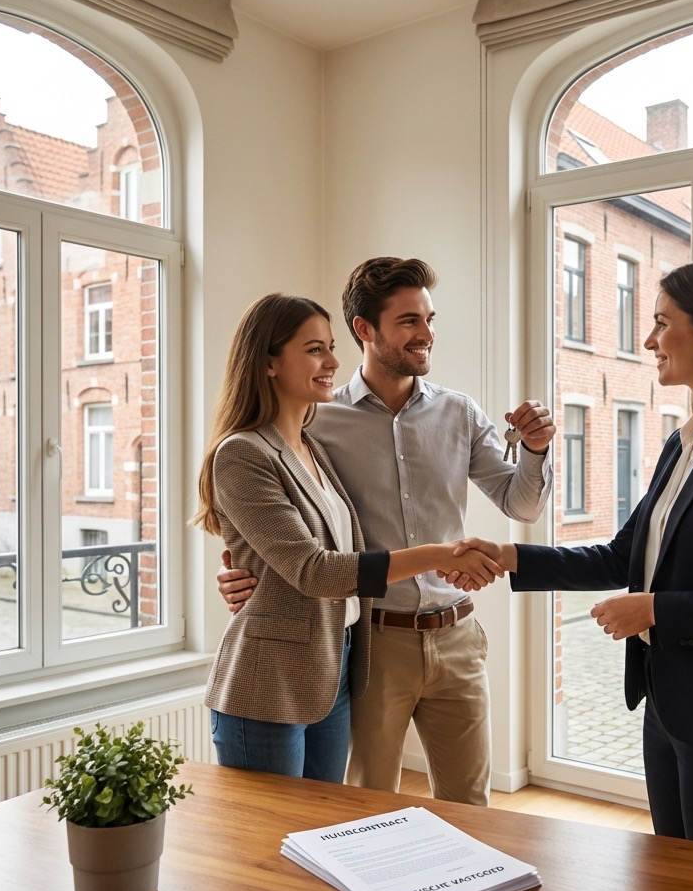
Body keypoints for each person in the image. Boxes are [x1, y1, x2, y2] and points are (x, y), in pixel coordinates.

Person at [456, 255, 693, 853]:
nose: (648, 341)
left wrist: (654, 611)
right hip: (670, 706)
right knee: (675, 883)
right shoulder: (684, 442)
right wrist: (510, 555)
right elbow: (623, 555)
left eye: (661, 323)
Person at [217, 259, 555, 805]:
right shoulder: (317, 419)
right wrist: (242, 571)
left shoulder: (459, 413)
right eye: (408, 321)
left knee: (471, 806)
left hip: (456, 633)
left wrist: (535, 450)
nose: (426, 334)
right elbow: (280, 524)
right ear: (365, 329)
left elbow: (523, 505)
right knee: (367, 806)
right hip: (373, 642)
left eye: (429, 318)